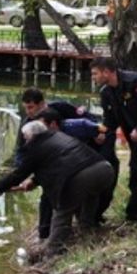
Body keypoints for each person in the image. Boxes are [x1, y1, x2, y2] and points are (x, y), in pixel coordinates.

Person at [0, 121, 114, 259]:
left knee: (62, 210)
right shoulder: (57, 136)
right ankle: (88, 235)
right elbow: (57, 162)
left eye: (25, 137)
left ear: (31, 136)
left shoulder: (35, 147)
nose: (25, 141)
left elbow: (19, 174)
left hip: (83, 175)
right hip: (105, 170)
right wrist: (34, 181)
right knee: (90, 197)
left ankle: (53, 253)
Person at [90, 57, 137, 224]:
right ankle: (133, 216)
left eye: (95, 73)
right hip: (136, 140)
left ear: (107, 72)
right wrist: (100, 133)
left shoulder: (136, 82)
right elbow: (109, 121)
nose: (93, 77)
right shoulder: (107, 93)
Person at [14, 88, 89, 239]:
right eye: (25, 108)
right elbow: (21, 151)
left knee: (77, 193)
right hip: (50, 165)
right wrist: (24, 173)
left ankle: (85, 225)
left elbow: (85, 120)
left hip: (74, 158)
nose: (28, 112)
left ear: (42, 104)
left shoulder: (61, 108)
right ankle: (44, 233)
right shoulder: (27, 125)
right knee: (48, 197)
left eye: (31, 107)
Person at [37, 107, 120, 222]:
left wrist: (100, 138)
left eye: (42, 126)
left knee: (103, 195)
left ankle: (92, 221)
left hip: (100, 162)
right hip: (79, 167)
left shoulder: (79, 126)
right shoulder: (47, 140)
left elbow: (107, 131)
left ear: (53, 124)